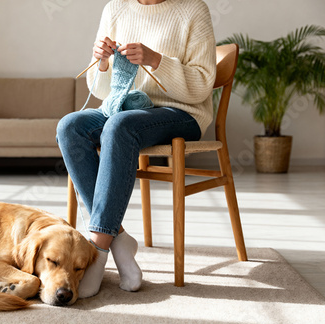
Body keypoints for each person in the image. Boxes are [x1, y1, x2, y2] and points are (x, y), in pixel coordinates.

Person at [56, 0, 217, 298]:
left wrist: (158, 60)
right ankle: (118, 239)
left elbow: (202, 86)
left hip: (181, 113)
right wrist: (102, 63)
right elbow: (104, 90)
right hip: (123, 108)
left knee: (119, 127)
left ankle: (98, 250)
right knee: (69, 126)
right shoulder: (115, 8)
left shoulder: (194, 9)